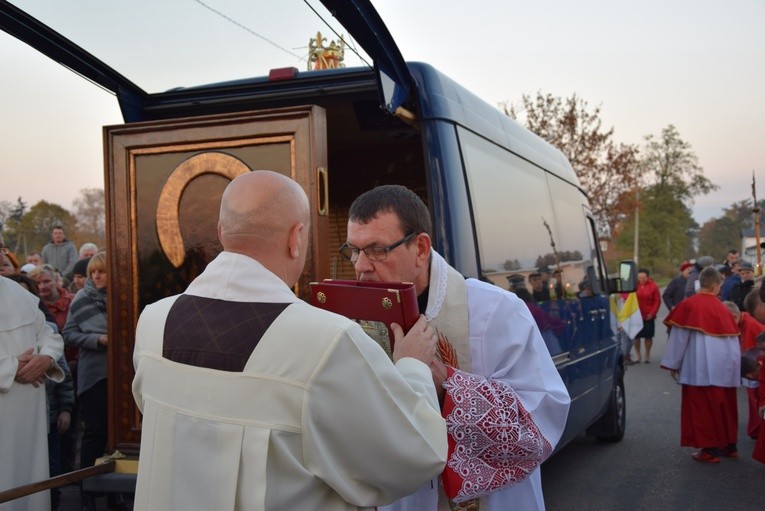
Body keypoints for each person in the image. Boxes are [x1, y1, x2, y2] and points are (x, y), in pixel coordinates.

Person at [132, 171, 447, 511]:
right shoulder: (326, 341)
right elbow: (413, 456)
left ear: (222, 233)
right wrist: (412, 366)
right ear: (296, 238)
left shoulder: (152, 321)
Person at [344, 184, 570, 510]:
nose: (361, 265)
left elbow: (539, 426)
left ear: (421, 248)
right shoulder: (358, 320)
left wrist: (446, 384)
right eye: (353, 250)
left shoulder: (495, 311)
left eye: (377, 250)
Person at [1, 251, 65, 510]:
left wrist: (47, 359)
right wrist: (12, 368)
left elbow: (50, 335)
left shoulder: (19, 294)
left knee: (29, 489)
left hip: (29, 421)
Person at [660, 266, 740, 463]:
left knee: (703, 409)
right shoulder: (724, 308)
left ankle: (709, 450)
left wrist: (673, 363)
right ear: (715, 286)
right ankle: (729, 446)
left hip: (700, 368)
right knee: (725, 407)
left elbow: (679, 339)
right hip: (726, 369)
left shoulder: (689, 305)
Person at [63, 251, 117, 511]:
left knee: (118, 436)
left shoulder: (123, 296)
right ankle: (87, 492)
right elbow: (69, 334)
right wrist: (98, 340)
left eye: (102, 271)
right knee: (95, 433)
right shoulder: (82, 298)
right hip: (95, 373)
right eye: (93, 271)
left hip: (122, 373)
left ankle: (114, 492)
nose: (96, 275)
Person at [723, 300, 765, 440]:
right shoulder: (743, 321)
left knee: (757, 400)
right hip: (753, 369)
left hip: (756, 370)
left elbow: (749, 353)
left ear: (734, 317)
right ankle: (756, 429)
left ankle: (759, 430)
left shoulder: (751, 325)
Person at [633, 268, 660, 363]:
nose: (641, 280)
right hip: (636, 315)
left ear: (648, 277)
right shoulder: (633, 285)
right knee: (636, 336)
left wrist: (652, 313)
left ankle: (647, 353)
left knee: (648, 336)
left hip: (648, 315)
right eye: (639, 277)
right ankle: (638, 354)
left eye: (643, 278)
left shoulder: (653, 286)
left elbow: (657, 301)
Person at [610, 291, 643, 366]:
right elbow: (616, 308)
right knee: (624, 340)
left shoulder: (630, 292)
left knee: (628, 339)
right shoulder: (614, 295)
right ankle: (623, 358)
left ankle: (624, 356)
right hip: (621, 320)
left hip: (627, 318)